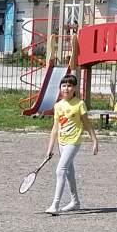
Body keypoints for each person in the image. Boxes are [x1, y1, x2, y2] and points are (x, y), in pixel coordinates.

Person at [43, 74, 100, 215]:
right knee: (69, 172)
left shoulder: (79, 104)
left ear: (74, 88)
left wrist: (94, 140)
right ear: (60, 88)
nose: (66, 88)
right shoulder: (58, 106)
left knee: (60, 170)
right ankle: (75, 202)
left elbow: (86, 123)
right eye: (64, 85)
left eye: (69, 86)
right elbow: (55, 128)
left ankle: (55, 205)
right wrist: (50, 148)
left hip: (73, 142)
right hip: (62, 143)